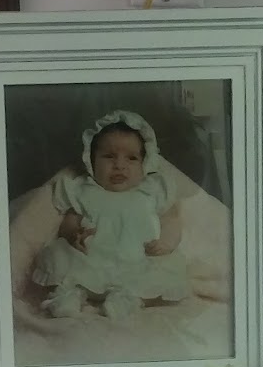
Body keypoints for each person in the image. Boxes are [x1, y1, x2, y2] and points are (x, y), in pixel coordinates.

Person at [30, 110, 192, 320]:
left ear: (145, 163)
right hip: (91, 260)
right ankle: (68, 295)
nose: (119, 165)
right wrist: (73, 234)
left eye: (131, 158)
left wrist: (166, 243)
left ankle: (125, 299)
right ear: (91, 160)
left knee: (159, 272)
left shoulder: (152, 190)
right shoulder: (83, 189)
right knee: (63, 260)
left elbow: (171, 219)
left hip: (138, 260)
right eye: (108, 156)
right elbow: (70, 220)